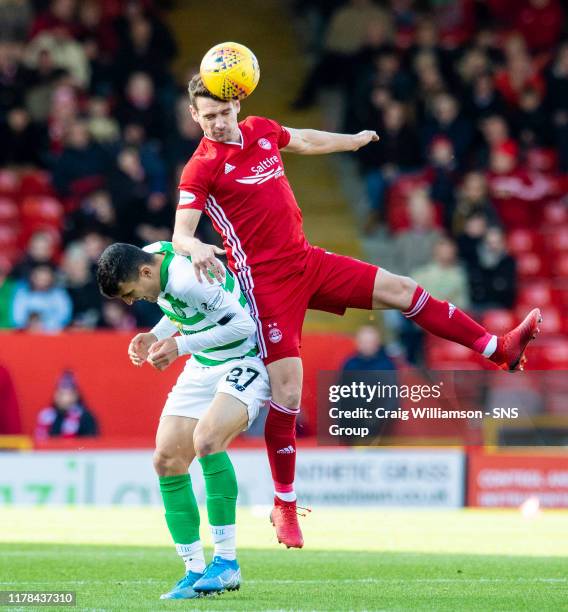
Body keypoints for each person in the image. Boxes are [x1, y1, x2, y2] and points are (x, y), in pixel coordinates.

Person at [171, 74, 542, 549]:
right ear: (193, 116)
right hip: (265, 286)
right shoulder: (200, 167)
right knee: (288, 391)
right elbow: (181, 232)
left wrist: (353, 141)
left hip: (308, 261)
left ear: (238, 105)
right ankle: (285, 505)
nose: (219, 124)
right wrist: (194, 247)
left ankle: (498, 347)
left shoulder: (262, 129)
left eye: (224, 114)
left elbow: (303, 139)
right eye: (209, 117)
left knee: (403, 288)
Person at [96, 241, 271, 599]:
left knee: (207, 440)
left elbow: (242, 325)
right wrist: (156, 335)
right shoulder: (152, 259)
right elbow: (177, 308)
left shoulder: (186, 279)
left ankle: (226, 564)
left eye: (130, 294)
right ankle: (193, 570)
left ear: (145, 273)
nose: (131, 302)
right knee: (166, 460)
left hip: (244, 360)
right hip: (203, 365)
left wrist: (179, 345)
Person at [35, 370, 99, 439]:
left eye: (67, 394)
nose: (63, 398)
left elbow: (90, 443)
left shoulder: (85, 417)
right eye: (60, 393)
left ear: (75, 395)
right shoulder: (47, 416)